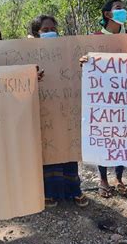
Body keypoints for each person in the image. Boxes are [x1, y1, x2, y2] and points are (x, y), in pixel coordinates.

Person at [28, 15, 88, 208]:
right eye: (45, 30)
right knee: (49, 150)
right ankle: (50, 193)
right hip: (43, 111)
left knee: (69, 148)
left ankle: (74, 190)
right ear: (36, 33)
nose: (50, 32)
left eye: (53, 28)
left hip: (66, 108)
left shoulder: (67, 50)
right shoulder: (26, 52)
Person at [92, 0, 127, 197]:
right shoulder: (95, 38)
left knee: (124, 138)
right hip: (103, 98)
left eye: (124, 7)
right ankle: (103, 179)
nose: (123, 11)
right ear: (107, 14)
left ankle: (119, 177)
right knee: (104, 138)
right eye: (118, 8)